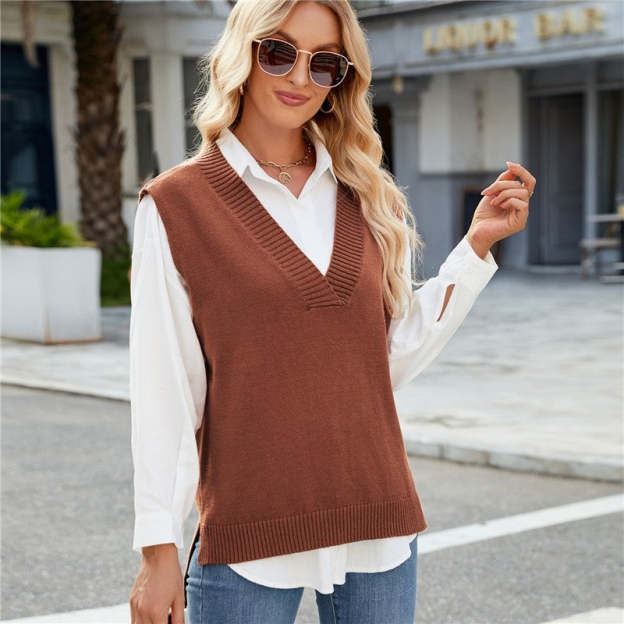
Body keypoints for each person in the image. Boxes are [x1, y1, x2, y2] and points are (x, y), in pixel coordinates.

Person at [128, 1, 535, 623]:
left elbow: (385, 358)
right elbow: (165, 389)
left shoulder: (365, 193)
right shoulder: (176, 205)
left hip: (378, 525)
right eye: (279, 52)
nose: (300, 77)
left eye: (324, 63)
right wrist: (158, 548)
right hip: (249, 535)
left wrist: (475, 248)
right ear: (242, 54)